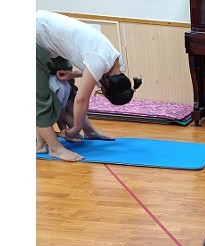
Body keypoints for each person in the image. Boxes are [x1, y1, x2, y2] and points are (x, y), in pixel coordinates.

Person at [36, 10, 142, 161]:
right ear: (106, 85)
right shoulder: (99, 60)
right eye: (102, 90)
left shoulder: (116, 62)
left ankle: (90, 131)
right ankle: (54, 148)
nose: (99, 88)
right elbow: (82, 100)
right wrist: (76, 127)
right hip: (36, 33)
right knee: (40, 100)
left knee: (69, 88)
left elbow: (92, 71)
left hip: (49, 33)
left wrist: (73, 75)